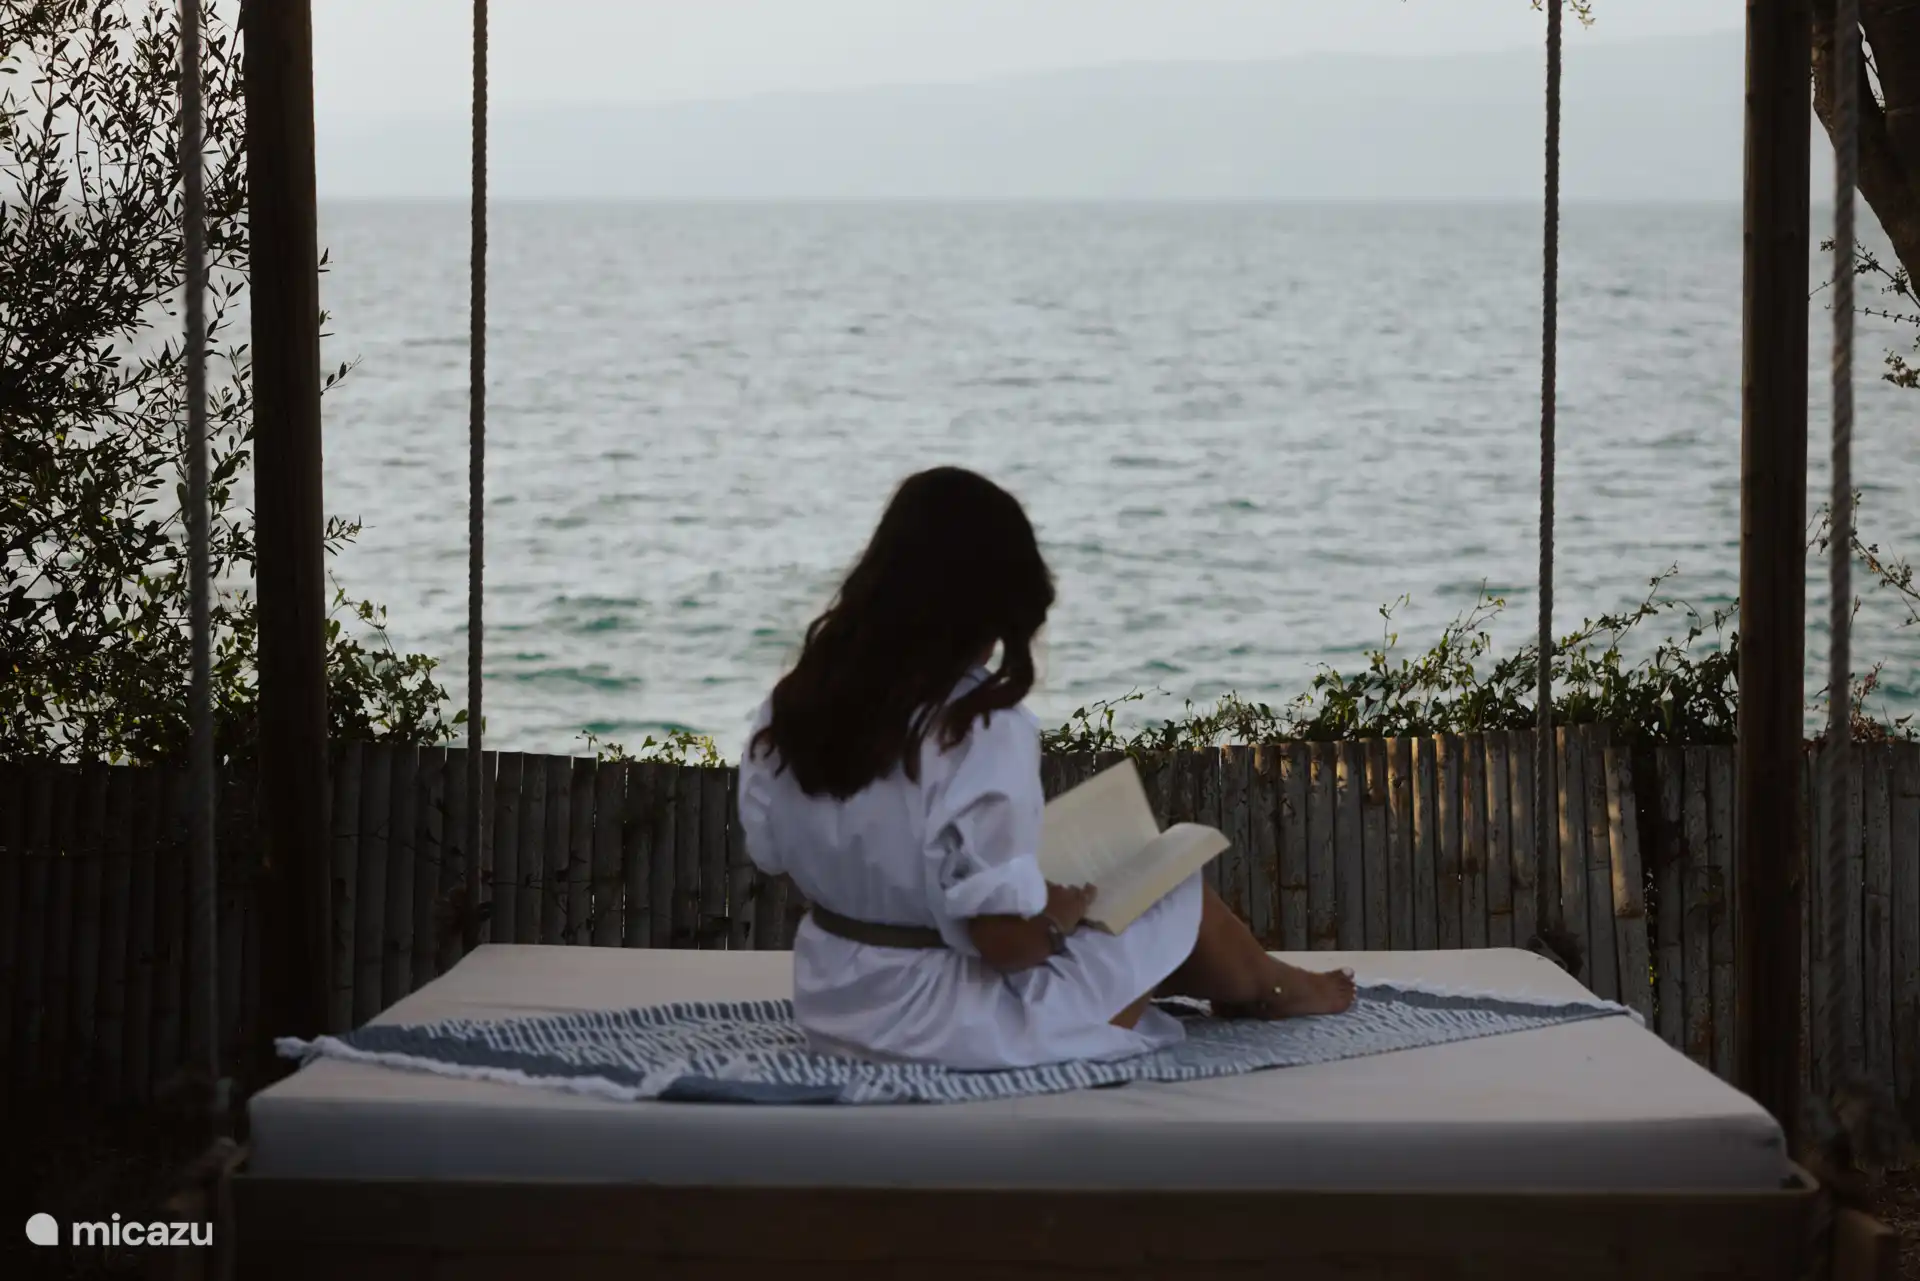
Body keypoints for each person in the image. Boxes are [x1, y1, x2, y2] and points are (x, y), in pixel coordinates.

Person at [737, 466, 1355, 1071]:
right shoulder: (977, 725)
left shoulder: (796, 702)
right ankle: (1271, 987)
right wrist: (1055, 919)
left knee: (1109, 909)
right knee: (1174, 893)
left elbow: (769, 851)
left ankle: (1266, 983)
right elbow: (1005, 945)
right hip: (952, 1031)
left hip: (834, 1007)